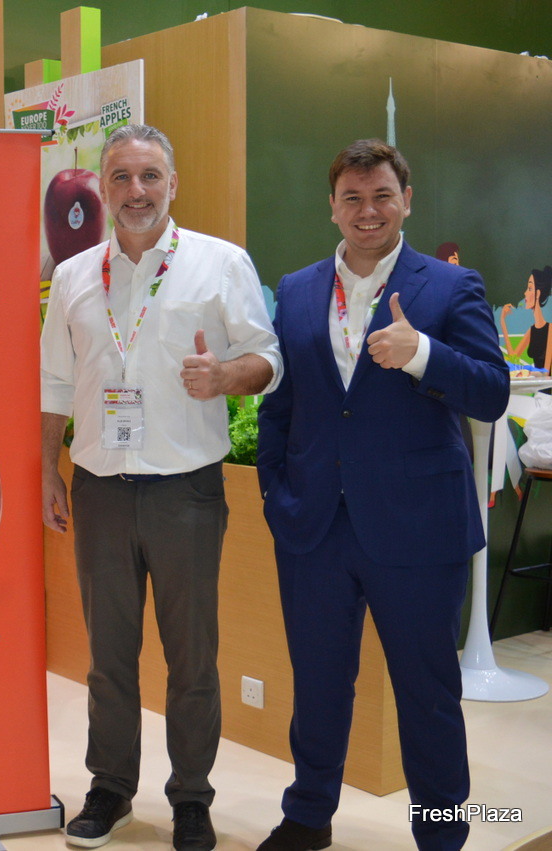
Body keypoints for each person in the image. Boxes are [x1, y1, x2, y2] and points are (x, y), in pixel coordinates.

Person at [255, 139, 509, 851]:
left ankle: (442, 834)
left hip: (419, 530)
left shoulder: (451, 287)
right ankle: (308, 817)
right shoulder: (298, 288)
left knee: (427, 694)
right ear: (333, 206)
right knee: (318, 684)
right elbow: (282, 404)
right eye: (353, 198)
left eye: (382, 197)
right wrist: (276, 491)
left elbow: (491, 393)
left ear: (407, 201)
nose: (368, 211)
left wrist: (421, 353)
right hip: (314, 527)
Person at [40, 123, 281, 851]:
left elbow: (266, 358)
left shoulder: (221, 263)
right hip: (101, 489)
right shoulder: (74, 275)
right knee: (108, 657)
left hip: (187, 493)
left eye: (150, 176)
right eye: (121, 177)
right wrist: (45, 469)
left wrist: (226, 376)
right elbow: (54, 383)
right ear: (102, 189)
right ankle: (110, 788)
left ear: (172, 183)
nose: (136, 190)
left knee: (191, 657)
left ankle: (192, 798)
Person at [499, 266, 552, 373]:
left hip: (544, 384)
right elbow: (513, 357)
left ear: (538, 294)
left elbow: (546, 373)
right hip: (534, 382)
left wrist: (527, 371)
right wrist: (502, 321)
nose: (525, 293)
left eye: (530, 288)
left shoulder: (550, 329)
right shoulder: (532, 330)